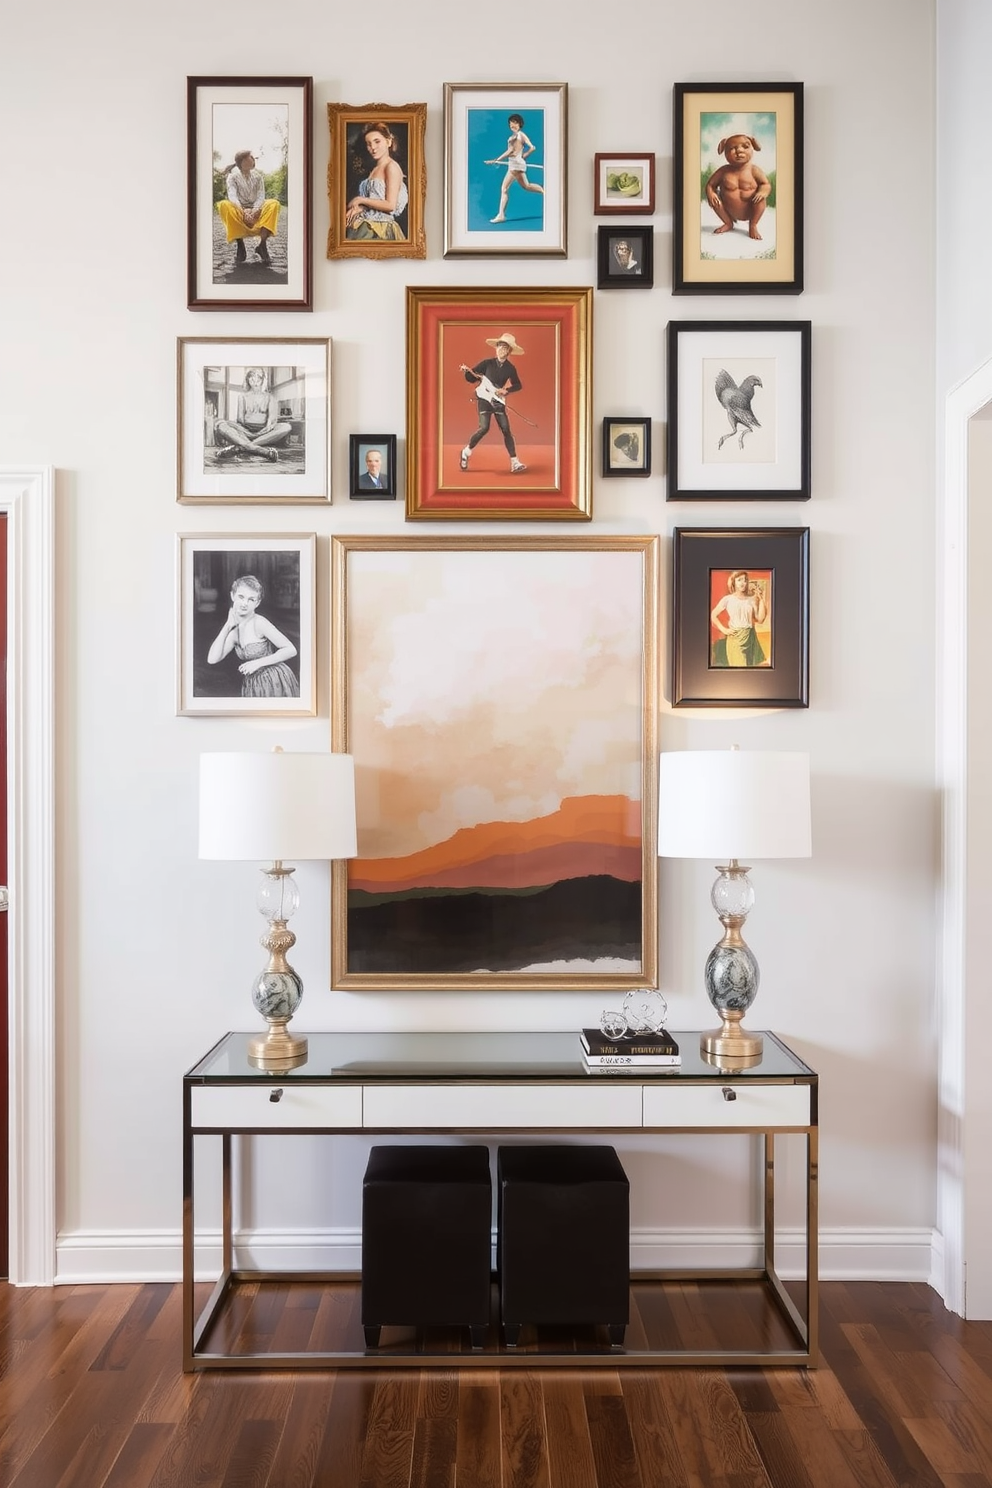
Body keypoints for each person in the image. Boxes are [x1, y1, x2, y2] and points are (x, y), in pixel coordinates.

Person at [207, 574, 300, 698]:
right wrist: (228, 626)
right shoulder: (234, 633)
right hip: (253, 685)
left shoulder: (259, 623)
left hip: (275, 681)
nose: (245, 603)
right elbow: (212, 659)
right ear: (232, 596)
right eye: (241, 597)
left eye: (251, 599)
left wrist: (257, 663)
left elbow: (291, 650)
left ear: (257, 603)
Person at [458, 332, 528, 475]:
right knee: (484, 428)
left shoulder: (510, 368)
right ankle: (466, 452)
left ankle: (515, 462)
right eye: (499, 346)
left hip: (498, 401)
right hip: (484, 399)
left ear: (509, 351)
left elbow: (518, 385)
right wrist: (467, 372)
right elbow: (471, 378)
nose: (501, 350)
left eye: (505, 347)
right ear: (496, 348)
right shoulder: (487, 363)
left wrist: (506, 390)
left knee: (506, 430)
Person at [345, 122, 408, 241]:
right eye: (369, 144)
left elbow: (390, 205)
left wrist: (360, 200)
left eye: (377, 141)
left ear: (388, 142)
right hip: (365, 226)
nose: (373, 148)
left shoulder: (391, 167)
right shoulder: (374, 169)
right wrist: (359, 208)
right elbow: (375, 200)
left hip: (381, 229)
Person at [216, 150, 280, 266]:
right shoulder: (232, 177)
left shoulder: (258, 176)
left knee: (273, 203)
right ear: (242, 162)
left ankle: (262, 245)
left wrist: (254, 209)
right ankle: (240, 244)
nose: (253, 159)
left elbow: (261, 195)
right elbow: (232, 195)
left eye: (252, 157)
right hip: (240, 208)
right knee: (224, 205)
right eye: (250, 158)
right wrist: (243, 210)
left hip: (256, 208)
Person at [213, 368, 292, 463]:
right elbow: (240, 420)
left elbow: (271, 418)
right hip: (245, 431)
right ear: (248, 380)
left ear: (262, 380)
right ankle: (262, 451)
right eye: (252, 379)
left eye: (258, 379)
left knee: (286, 427)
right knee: (221, 425)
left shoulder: (269, 397)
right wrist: (243, 431)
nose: (255, 383)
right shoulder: (242, 396)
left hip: (264, 432)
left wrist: (268, 427)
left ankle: (242, 447)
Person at [704, 134, 770, 240]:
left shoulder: (754, 170)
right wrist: (711, 193)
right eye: (732, 148)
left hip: (750, 209)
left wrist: (763, 192)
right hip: (728, 210)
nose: (739, 151)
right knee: (715, 200)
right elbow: (710, 185)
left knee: (761, 199)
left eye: (745, 146)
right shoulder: (723, 171)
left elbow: (765, 184)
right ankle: (728, 223)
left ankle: (753, 225)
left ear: (753, 148)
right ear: (724, 151)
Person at [486, 114, 544, 223]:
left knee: (504, 189)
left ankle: (501, 215)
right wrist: (522, 157)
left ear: (519, 124)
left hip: (515, 165)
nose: (513, 125)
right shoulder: (514, 136)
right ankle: (544, 190)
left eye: (515, 122)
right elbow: (531, 148)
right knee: (527, 186)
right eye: (511, 123)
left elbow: (526, 149)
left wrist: (496, 160)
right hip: (515, 164)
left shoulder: (519, 136)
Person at [711, 570, 768, 668]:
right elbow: (713, 615)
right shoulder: (728, 599)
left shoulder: (752, 599)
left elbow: (760, 619)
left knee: (750, 668)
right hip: (735, 638)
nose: (743, 583)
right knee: (740, 668)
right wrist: (723, 629)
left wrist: (761, 599)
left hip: (751, 637)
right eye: (739, 580)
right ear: (734, 582)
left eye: (745, 580)